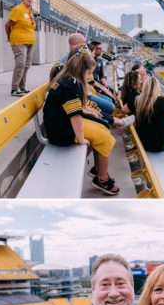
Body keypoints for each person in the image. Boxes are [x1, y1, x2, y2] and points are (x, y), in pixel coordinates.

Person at [43, 47, 121, 195]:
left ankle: (98, 169)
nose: (90, 76)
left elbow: (73, 108)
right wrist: (80, 138)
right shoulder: (71, 84)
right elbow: (75, 116)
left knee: (103, 128)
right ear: (80, 70)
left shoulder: (68, 78)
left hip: (59, 125)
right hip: (60, 130)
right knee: (105, 138)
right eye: (89, 72)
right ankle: (102, 179)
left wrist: (89, 111)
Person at [5, 0, 36, 97]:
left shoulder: (29, 11)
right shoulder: (18, 10)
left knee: (27, 65)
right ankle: (14, 89)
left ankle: (22, 87)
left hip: (30, 41)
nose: (30, 0)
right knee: (20, 63)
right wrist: (9, 36)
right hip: (19, 41)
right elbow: (8, 25)